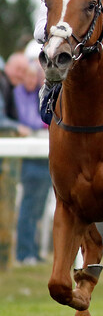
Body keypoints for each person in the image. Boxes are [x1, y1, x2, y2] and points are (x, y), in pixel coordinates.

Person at [13, 59, 51, 266]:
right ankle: (23, 252)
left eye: (34, 77)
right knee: (28, 206)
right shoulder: (19, 93)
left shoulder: (39, 92)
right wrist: (42, 125)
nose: (32, 80)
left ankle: (33, 251)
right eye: (28, 76)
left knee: (39, 207)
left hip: (43, 156)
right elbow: (30, 119)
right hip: (29, 159)